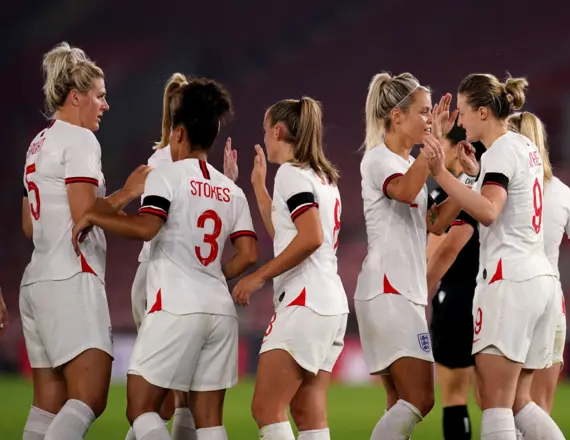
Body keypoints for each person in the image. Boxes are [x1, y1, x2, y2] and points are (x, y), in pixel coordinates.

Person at [72, 77, 257, 440]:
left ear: (178, 134)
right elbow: (249, 253)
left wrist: (96, 213)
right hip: (219, 310)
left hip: (176, 305)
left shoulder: (167, 175)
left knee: (140, 407)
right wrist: (213, 274)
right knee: (209, 420)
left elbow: (146, 228)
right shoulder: (231, 189)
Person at [19, 41, 149, 440]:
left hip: (36, 280)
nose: (105, 105)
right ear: (76, 97)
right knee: (91, 396)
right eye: (100, 96)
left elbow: (30, 224)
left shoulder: (38, 143)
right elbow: (84, 214)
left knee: (48, 403)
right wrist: (127, 193)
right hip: (70, 276)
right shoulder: (79, 141)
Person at [426, 73, 565, 440]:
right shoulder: (523, 145)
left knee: (496, 402)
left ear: (484, 112)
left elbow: (489, 211)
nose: (459, 119)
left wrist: (442, 172)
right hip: (540, 280)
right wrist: (472, 175)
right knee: (521, 403)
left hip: (509, 282)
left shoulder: (501, 150)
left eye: (464, 111)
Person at [353, 72, 478, 440]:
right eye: (423, 112)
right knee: (421, 398)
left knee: (399, 403)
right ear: (396, 117)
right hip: (388, 289)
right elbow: (406, 190)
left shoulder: (407, 163)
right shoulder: (379, 160)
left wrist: (467, 181)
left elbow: (436, 223)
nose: (429, 119)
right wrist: (434, 146)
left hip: (399, 290)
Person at [232, 97, 348, 440]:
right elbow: (288, 235)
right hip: (331, 303)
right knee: (307, 412)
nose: (264, 137)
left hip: (305, 301)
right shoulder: (324, 178)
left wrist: (257, 276)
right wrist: (258, 187)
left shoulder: (291, 174)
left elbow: (309, 238)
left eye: (266, 130)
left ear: (279, 130)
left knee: (266, 409)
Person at [507, 111, 570, 414]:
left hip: (508, 298)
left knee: (499, 406)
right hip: (550, 302)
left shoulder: (497, 191)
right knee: (539, 407)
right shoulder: (562, 193)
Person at [426, 124, 486, 440]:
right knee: (495, 399)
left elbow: (439, 251)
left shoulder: (444, 197)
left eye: (444, 146)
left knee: (454, 395)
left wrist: (421, 289)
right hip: (490, 294)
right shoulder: (488, 191)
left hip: (456, 298)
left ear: (458, 149)